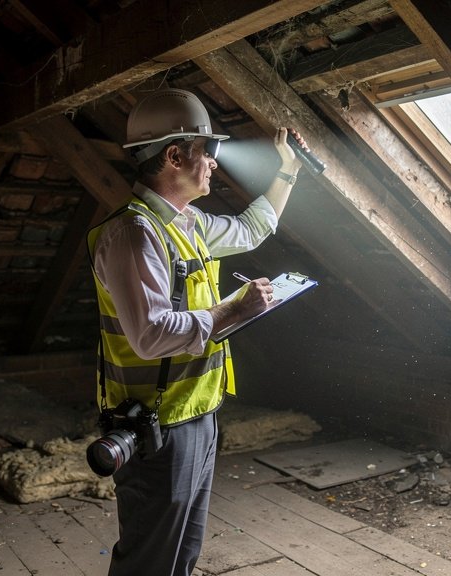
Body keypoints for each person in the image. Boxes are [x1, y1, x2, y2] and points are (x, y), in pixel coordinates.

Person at [86, 88, 305, 576]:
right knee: (149, 559)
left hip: (196, 414)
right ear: (173, 155)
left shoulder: (186, 223)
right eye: (207, 150)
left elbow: (252, 229)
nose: (213, 163)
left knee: (182, 553)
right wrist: (236, 311)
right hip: (155, 425)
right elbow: (150, 335)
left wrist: (289, 170)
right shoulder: (134, 234)